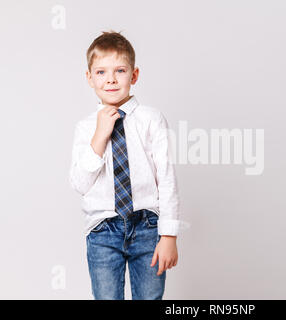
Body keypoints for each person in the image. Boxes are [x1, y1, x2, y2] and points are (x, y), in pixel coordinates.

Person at [69, 30, 189, 300]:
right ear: (89, 78)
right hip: (102, 231)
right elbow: (80, 183)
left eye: (119, 70)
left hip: (147, 228)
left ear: (134, 75)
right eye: (100, 72)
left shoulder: (151, 120)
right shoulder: (86, 127)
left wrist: (169, 235)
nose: (110, 79)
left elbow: (167, 179)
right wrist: (100, 135)